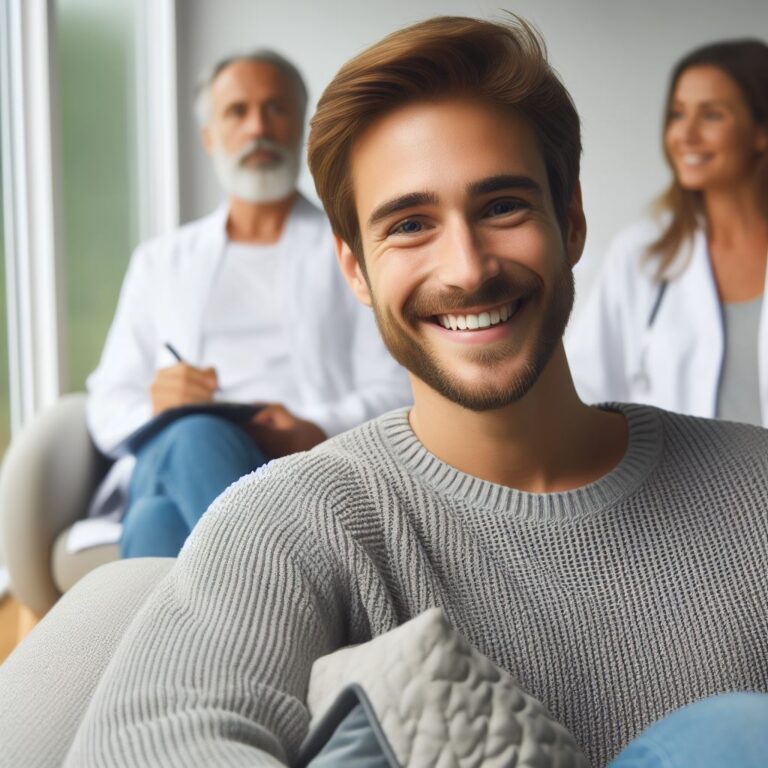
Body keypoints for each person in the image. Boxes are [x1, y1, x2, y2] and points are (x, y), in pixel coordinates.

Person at [66, 17, 768, 768]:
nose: (467, 268)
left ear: (571, 221)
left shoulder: (754, 485)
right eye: (410, 224)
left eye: (502, 206)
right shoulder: (289, 522)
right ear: (356, 269)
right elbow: (142, 747)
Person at [85, 50, 411, 558]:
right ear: (209, 137)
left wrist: (314, 429)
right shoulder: (160, 262)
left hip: (301, 460)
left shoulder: (353, 250)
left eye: (275, 108)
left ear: (300, 127)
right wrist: (157, 403)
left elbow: (399, 386)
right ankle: (285, 592)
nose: (258, 126)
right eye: (237, 111)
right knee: (192, 433)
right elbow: (106, 402)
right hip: (179, 452)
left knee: (155, 522)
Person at [567, 40, 768, 425]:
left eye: (712, 115)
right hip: (682, 483)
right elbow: (586, 388)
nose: (685, 135)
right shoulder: (642, 254)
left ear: (761, 132)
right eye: (677, 114)